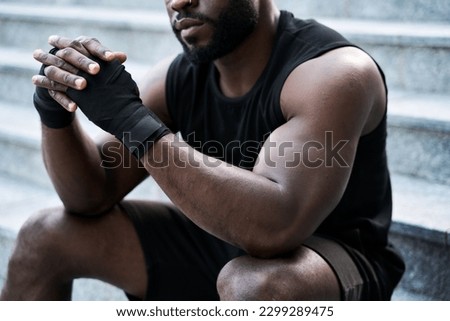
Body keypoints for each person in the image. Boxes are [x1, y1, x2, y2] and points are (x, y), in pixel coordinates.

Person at [0, 0, 404, 300]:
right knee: (45, 235)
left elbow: (275, 228)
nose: (179, 3)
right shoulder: (180, 79)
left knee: (255, 287)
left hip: (328, 262)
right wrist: (57, 114)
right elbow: (89, 197)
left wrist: (131, 121)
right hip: (224, 244)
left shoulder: (334, 74)